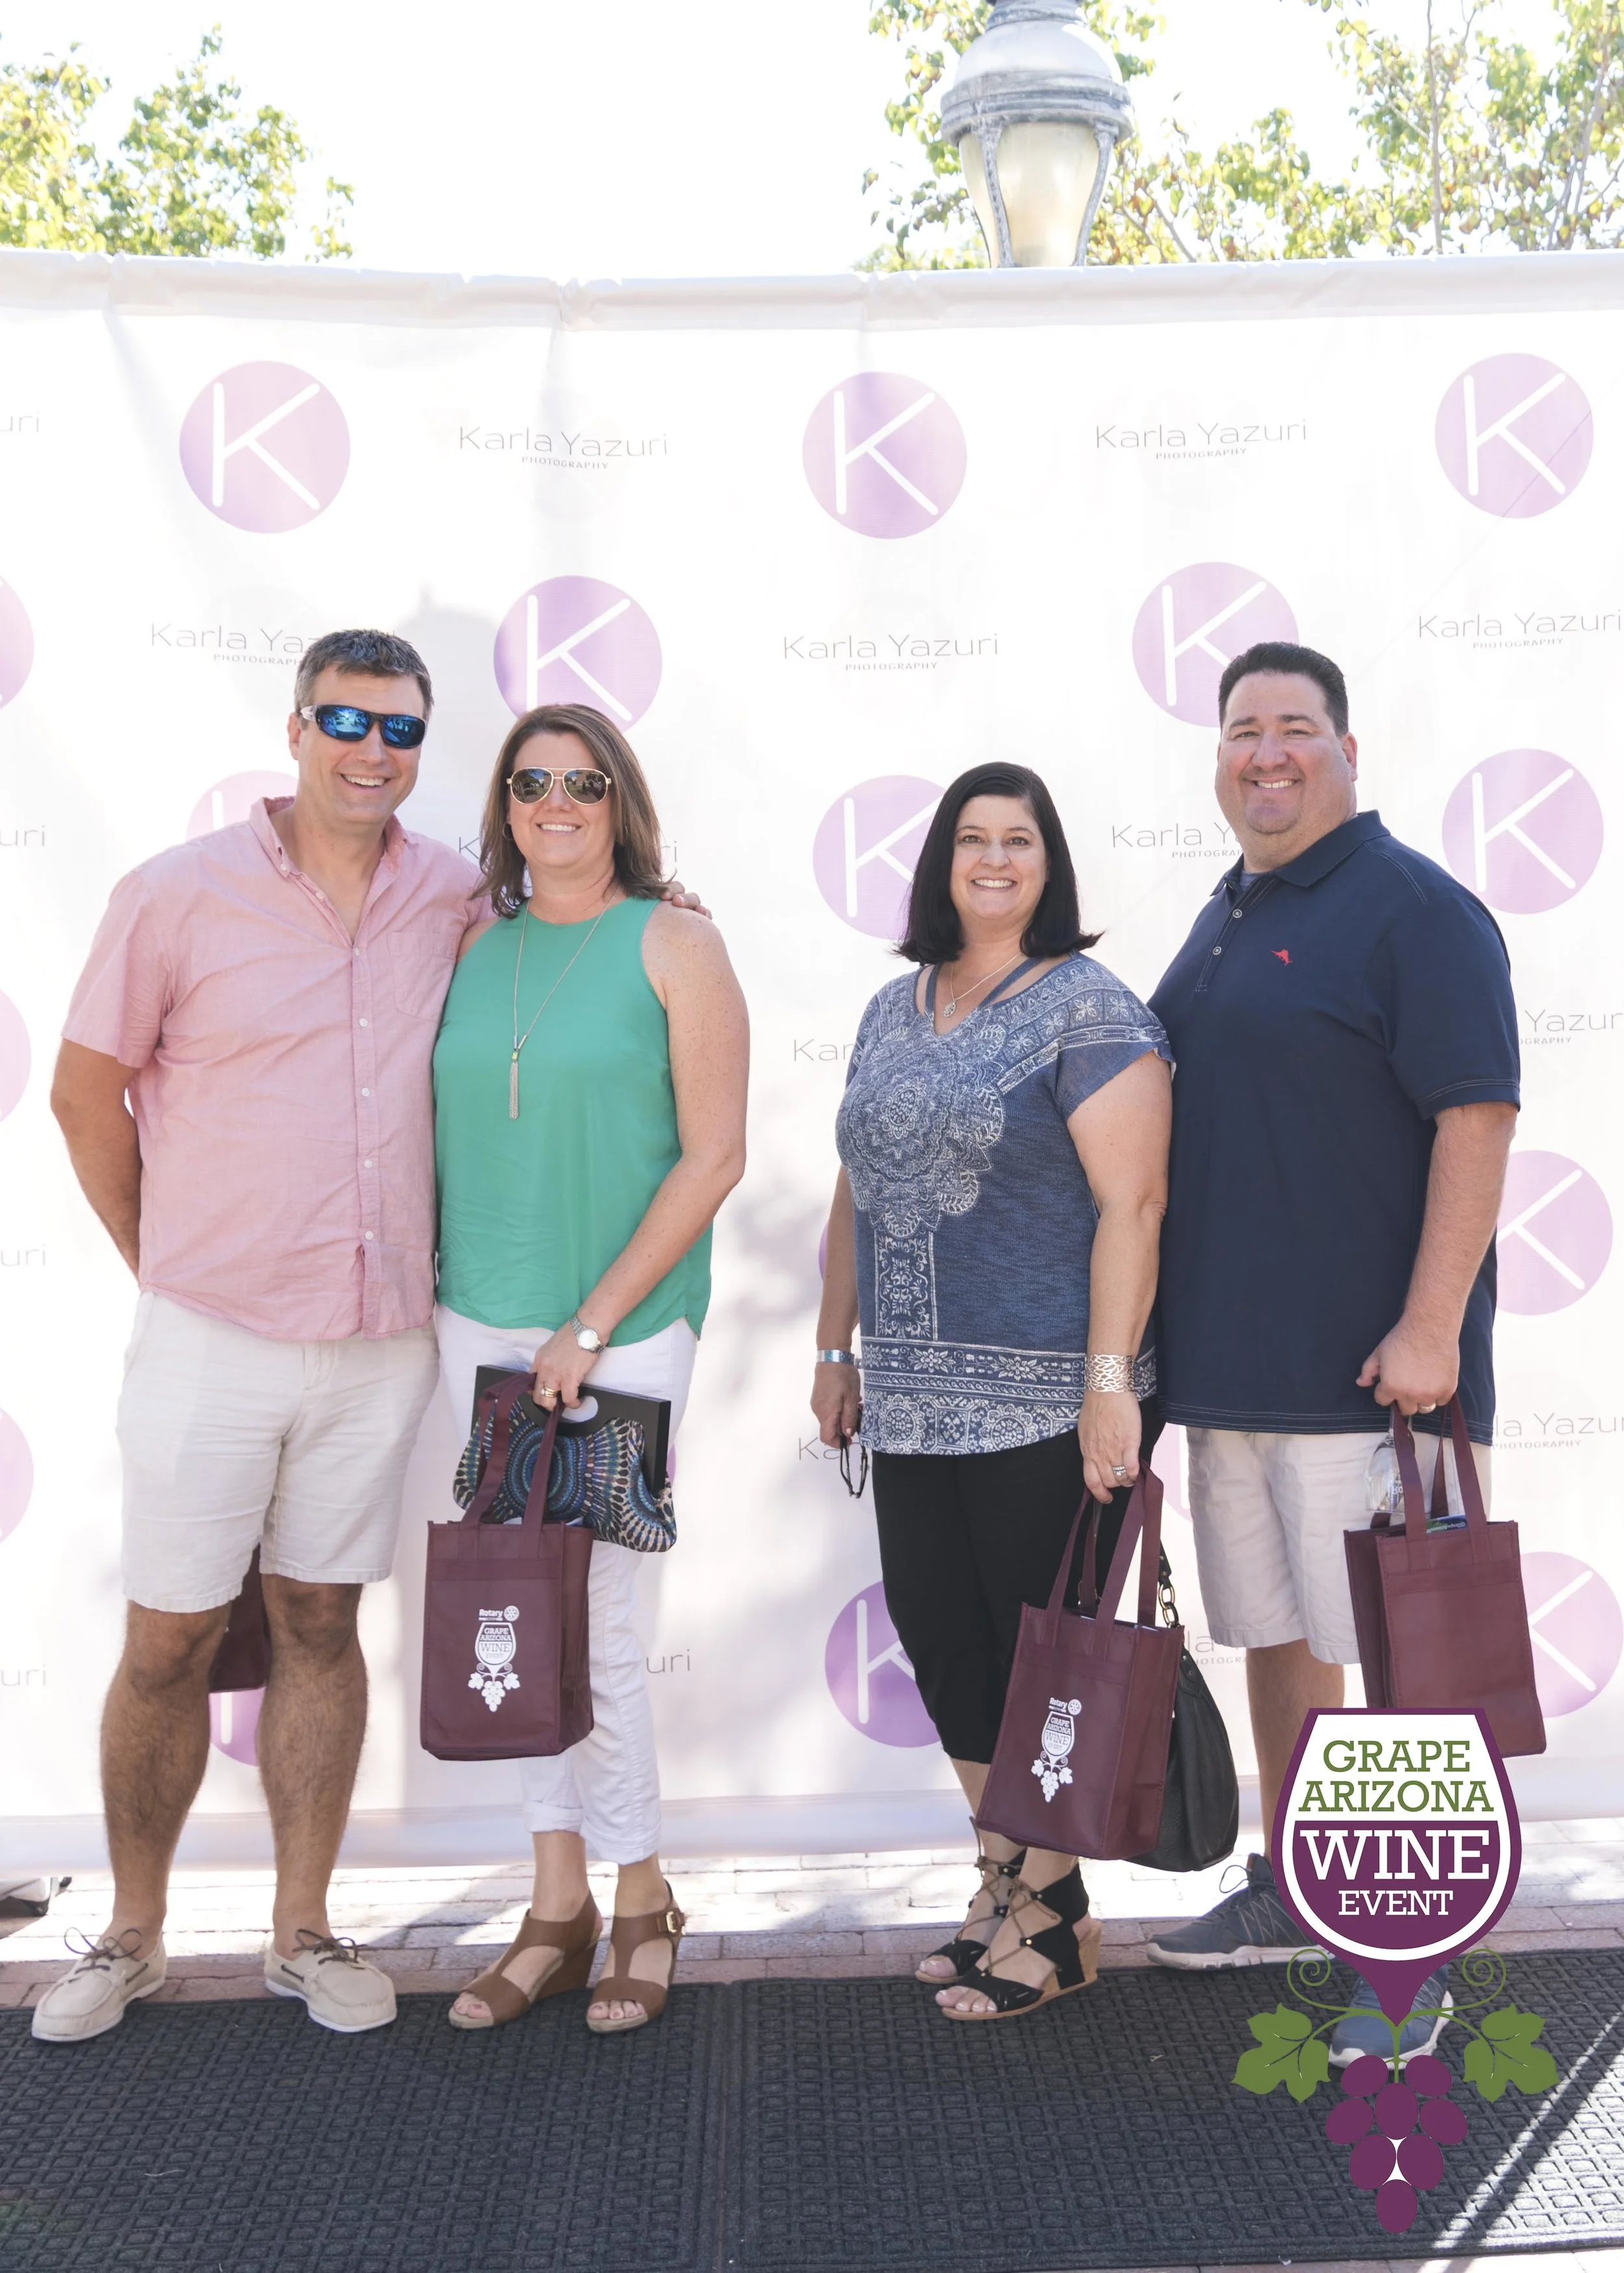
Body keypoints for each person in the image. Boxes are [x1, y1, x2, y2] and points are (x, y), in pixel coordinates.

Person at [38, 630, 472, 2042]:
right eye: (345, 720)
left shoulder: (455, 894)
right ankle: (130, 1934)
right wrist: (162, 1260)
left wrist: (670, 905)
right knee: (168, 1639)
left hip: (380, 1341)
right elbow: (85, 1094)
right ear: (294, 729)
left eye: (399, 728)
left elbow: (573, 944)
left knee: (320, 1623)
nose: (372, 749)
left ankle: (304, 1931)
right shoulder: (175, 894)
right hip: (210, 1335)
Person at [1141, 642, 1519, 2068]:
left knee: (1399, 1670)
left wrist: (1430, 1327)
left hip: (1370, 1383)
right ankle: (1301, 1886)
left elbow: (1475, 1117)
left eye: (1294, 726)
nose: (1266, 752)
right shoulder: (1228, 910)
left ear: (1348, 752)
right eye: (1242, 729)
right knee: (1279, 1639)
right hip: (1233, 1377)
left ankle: (1407, 1961)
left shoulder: (1415, 909)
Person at [811, 762, 1171, 2022]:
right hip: (908, 1397)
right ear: (942, 861)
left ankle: (1054, 1916)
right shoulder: (890, 1007)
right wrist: (835, 1350)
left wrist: (1109, 1386)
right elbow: (853, 1190)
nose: (995, 859)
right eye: (973, 838)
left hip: (1044, 1399)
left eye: (1019, 839)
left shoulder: (1092, 1009)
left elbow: (1134, 1204)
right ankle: (1003, 1880)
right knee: (944, 1641)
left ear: (1047, 862)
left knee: (1040, 1662)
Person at [433, 702, 748, 2037]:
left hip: (621, 1331)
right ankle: (554, 1904)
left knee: (601, 1629)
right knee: (510, 1620)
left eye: (580, 782)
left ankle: (641, 1897)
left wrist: (591, 1325)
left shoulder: (676, 942)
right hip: (475, 1327)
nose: (553, 804)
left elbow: (715, 1155)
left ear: (620, 800)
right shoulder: (470, 944)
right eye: (529, 784)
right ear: (503, 807)